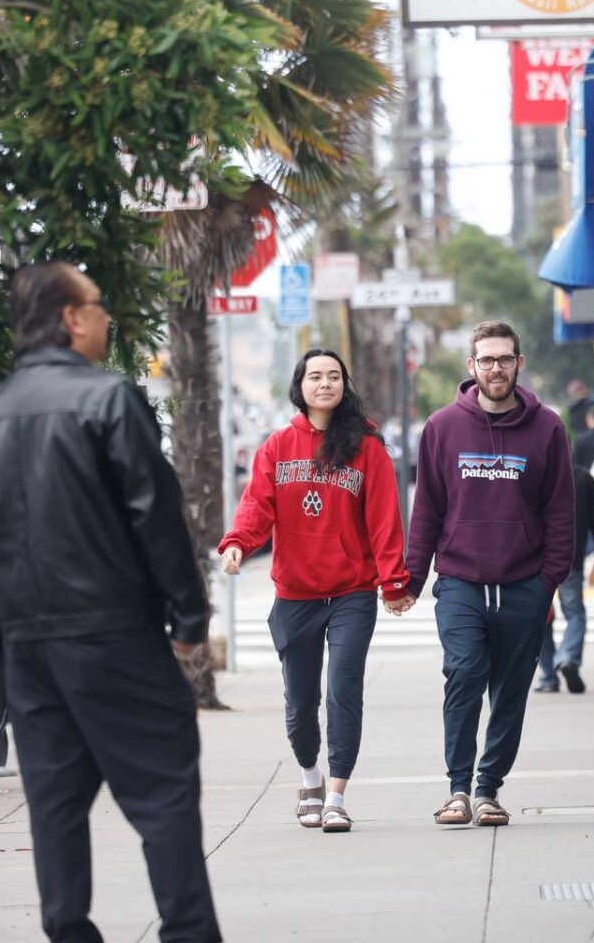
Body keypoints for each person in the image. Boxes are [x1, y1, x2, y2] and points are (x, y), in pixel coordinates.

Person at [0, 262, 222, 941]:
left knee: (54, 805)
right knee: (164, 793)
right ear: (69, 317)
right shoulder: (109, 399)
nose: (106, 316)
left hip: (30, 644)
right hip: (113, 633)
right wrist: (189, 618)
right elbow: (156, 514)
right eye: (97, 304)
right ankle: (189, 932)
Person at [218, 349, 411, 833]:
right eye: (315, 376)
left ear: (344, 385)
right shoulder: (277, 446)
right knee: (301, 702)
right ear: (299, 386)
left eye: (334, 376)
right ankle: (310, 777)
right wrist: (238, 543)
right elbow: (257, 506)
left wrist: (393, 581)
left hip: (352, 592)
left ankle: (336, 797)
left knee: (343, 689)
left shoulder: (367, 448)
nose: (325, 384)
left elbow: (384, 520)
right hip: (296, 595)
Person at [407, 321, 574, 829]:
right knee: (463, 674)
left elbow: (561, 513)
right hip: (460, 581)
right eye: (486, 360)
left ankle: (487, 790)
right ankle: (457, 789)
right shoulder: (441, 428)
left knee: (510, 690)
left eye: (504, 359)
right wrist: (411, 580)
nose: (495, 368)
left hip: (523, 584)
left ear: (518, 363)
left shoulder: (547, 427)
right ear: (471, 366)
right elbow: (427, 512)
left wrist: (547, 581)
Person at [537, 396, 594, 694]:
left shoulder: (533, 478)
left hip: (535, 560)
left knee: (540, 619)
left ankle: (548, 675)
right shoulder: (582, 478)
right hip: (568, 558)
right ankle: (568, 657)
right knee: (575, 613)